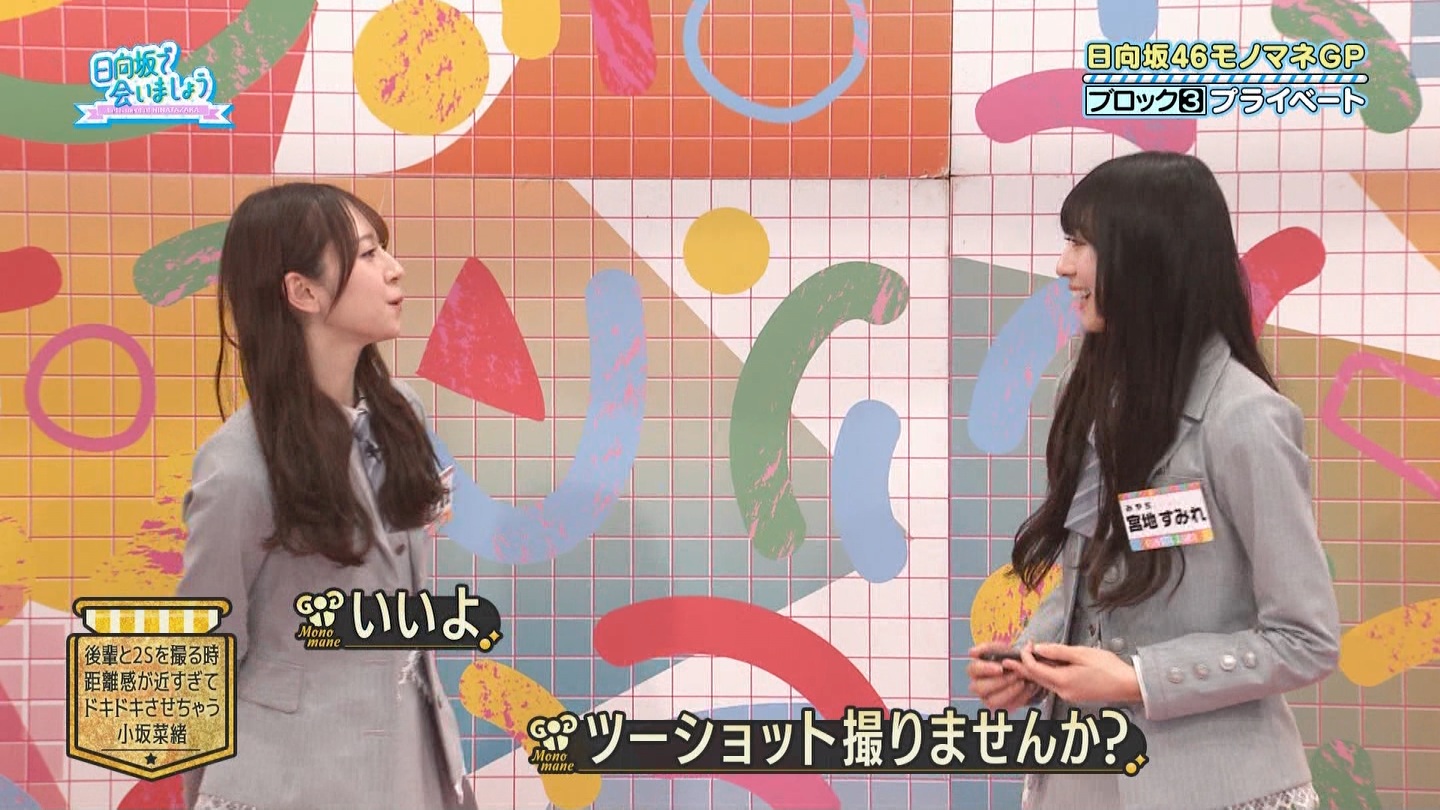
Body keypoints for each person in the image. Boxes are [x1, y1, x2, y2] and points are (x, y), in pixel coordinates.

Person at [967, 152, 1340, 810]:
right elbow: (1093, 575)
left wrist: (1140, 678)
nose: (1063, 266)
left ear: (1149, 256)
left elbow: (1305, 640)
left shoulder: (1246, 419)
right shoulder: (1095, 395)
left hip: (1215, 789)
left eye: (1082, 243)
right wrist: (1034, 659)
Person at [175, 183, 477, 810]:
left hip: (412, 765)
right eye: (367, 254)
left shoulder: (399, 415)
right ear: (303, 292)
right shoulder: (238, 468)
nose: (394, 269)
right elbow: (203, 654)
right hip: (287, 782)